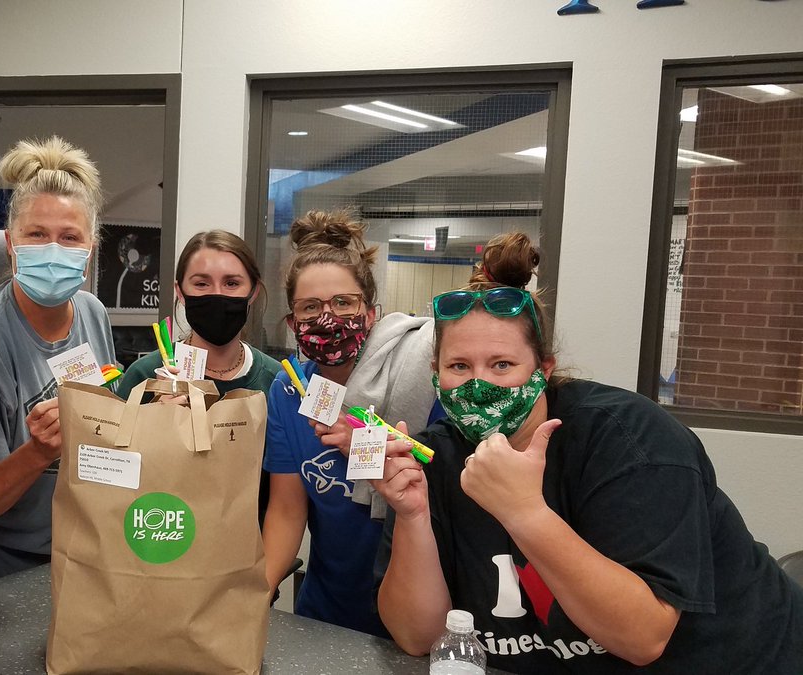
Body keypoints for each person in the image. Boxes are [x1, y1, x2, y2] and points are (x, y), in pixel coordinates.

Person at [374, 232, 803, 673]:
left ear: (543, 370)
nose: (479, 385)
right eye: (459, 366)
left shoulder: (630, 440)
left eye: (502, 365)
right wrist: (412, 517)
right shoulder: (435, 455)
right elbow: (418, 637)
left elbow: (642, 637)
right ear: (435, 374)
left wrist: (524, 512)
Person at [261, 210, 435, 637]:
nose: (328, 317)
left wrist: (368, 444)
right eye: (310, 307)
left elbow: (440, 472)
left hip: (417, 613)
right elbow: (286, 510)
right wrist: (254, 593)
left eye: (343, 303)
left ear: (371, 314)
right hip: (325, 611)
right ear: (292, 323)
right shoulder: (288, 391)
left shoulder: (419, 376)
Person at [0, 136, 115, 585]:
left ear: (91, 247)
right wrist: (38, 451)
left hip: (76, 551)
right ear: (10, 243)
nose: (53, 251)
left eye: (69, 237)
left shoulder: (92, 313)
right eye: (37, 235)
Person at [115, 229, 280, 400]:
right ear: (180, 292)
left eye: (231, 283)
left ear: (253, 292)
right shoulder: (143, 376)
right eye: (201, 284)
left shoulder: (278, 382)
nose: (217, 294)